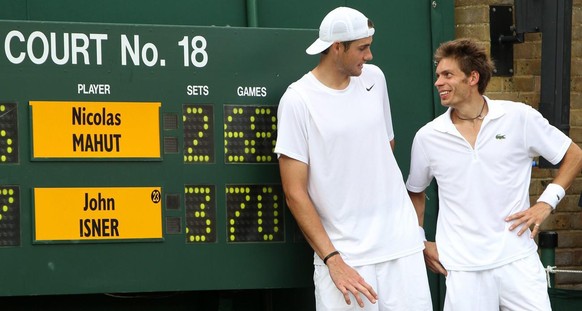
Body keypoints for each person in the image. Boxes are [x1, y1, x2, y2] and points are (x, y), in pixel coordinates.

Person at [274, 6, 433, 311]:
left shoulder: (375, 79)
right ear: (337, 48)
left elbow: (385, 147)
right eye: (362, 48)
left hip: (402, 248)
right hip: (347, 258)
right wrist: (333, 259)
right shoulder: (297, 100)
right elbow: (295, 192)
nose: (369, 56)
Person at [406, 38, 582, 310]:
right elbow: (415, 192)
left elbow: (574, 155)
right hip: (464, 270)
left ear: (473, 77)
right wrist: (420, 241)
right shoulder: (428, 137)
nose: (438, 82)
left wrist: (546, 203)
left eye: (448, 75)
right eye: (438, 75)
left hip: (518, 261)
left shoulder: (519, 117)